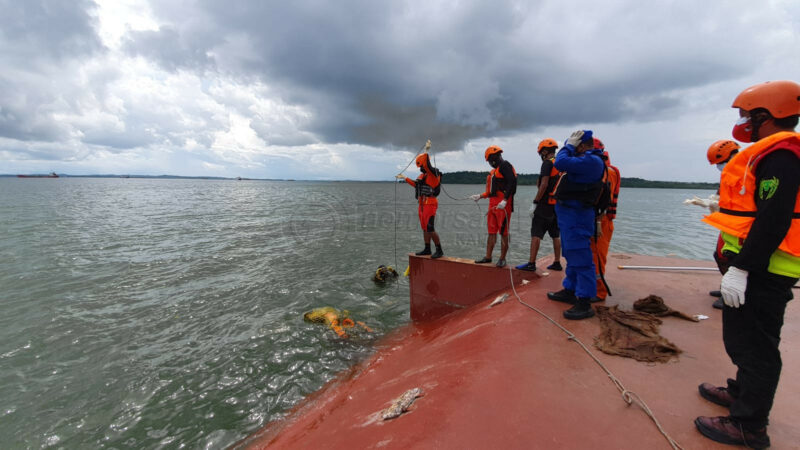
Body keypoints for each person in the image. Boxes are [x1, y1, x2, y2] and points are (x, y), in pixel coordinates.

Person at [695, 80, 800, 448]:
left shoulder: (781, 157)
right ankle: (742, 392)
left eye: (748, 115)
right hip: (759, 266)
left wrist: (742, 268)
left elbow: (774, 218)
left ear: (765, 116)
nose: (743, 122)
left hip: (765, 270)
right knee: (745, 339)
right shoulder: (772, 153)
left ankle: (749, 425)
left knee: (756, 345)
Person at [545, 130, 605, 319]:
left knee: (581, 258)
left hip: (578, 216)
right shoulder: (584, 161)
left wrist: (569, 146)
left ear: (582, 145)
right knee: (571, 255)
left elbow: (560, 161)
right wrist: (571, 146)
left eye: (574, 146)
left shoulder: (592, 161)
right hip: (570, 216)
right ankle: (570, 290)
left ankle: (584, 301)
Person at [516, 138, 563, 272]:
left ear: (545, 151)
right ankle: (557, 262)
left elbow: (544, 184)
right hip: (556, 205)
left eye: (541, 153)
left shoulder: (547, 164)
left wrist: (535, 202)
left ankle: (531, 263)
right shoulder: (560, 164)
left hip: (544, 204)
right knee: (555, 235)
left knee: (536, 233)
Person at [706, 139, 741, 309]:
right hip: (728, 225)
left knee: (732, 258)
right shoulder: (729, 175)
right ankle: (726, 287)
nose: (720, 166)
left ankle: (732, 294)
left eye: (721, 162)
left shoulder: (747, 172)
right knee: (719, 255)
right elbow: (721, 197)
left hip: (740, 226)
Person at [470, 146, 517, 268]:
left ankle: (502, 259)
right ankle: (488, 257)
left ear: (493, 158)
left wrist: (505, 200)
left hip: (503, 206)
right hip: (492, 206)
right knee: (491, 232)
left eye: (490, 161)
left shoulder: (505, 166)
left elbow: (512, 182)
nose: (490, 164)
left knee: (504, 233)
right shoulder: (493, 172)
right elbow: (491, 191)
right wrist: (480, 196)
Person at [588, 138, 620, 302]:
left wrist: (598, 222)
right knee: (591, 256)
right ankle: (590, 288)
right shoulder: (601, 170)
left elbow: (603, 200)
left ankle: (599, 292)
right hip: (595, 220)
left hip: (601, 221)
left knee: (598, 258)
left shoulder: (607, 173)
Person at [397, 152, 444, 258]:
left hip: (430, 203)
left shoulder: (433, 174)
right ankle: (427, 249)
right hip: (422, 204)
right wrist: (405, 178)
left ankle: (439, 250)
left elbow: (428, 165)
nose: (421, 168)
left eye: (421, 166)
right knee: (424, 228)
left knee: (430, 228)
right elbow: (416, 185)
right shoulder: (424, 176)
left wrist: (427, 151)